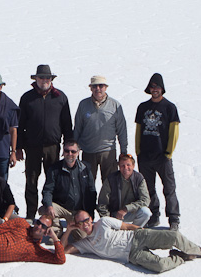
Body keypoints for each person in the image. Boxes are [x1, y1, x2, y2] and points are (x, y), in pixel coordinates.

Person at [62, 210, 201, 273]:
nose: (85, 224)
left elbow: (126, 226)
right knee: (159, 266)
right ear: (77, 225)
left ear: (91, 219)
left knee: (173, 236)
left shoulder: (103, 222)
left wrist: (143, 231)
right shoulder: (85, 243)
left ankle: (198, 250)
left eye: (86, 220)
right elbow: (62, 250)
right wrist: (68, 230)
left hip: (137, 237)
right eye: (80, 223)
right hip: (131, 254)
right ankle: (180, 257)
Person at [16, 64, 72, 219]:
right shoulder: (27, 98)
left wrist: (68, 145)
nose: (44, 80)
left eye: (47, 78)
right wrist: (18, 147)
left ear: (51, 79)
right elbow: (20, 125)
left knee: (53, 181)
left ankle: (50, 214)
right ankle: (30, 214)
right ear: (36, 79)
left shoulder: (60, 97)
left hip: (52, 146)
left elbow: (67, 123)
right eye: (41, 77)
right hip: (32, 147)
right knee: (31, 180)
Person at [135, 73, 181, 229]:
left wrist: (168, 153)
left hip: (162, 156)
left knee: (169, 188)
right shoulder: (143, 107)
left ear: (162, 89)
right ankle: (154, 216)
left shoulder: (169, 107)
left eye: (157, 87)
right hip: (145, 156)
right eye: (152, 87)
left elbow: (174, 131)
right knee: (148, 189)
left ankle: (174, 219)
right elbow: (138, 130)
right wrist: (138, 152)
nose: (155, 90)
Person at [72, 75, 127, 190]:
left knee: (110, 185)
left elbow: (122, 130)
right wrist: (74, 149)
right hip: (88, 151)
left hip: (108, 152)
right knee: (87, 184)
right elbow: (78, 128)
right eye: (94, 86)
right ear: (90, 88)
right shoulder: (83, 104)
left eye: (101, 86)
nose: (98, 89)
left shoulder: (115, 106)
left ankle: (109, 208)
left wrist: (124, 151)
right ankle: (88, 207)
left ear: (106, 87)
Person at [41, 140, 97, 224]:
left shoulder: (85, 168)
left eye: (73, 151)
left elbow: (92, 191)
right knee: (46, 210)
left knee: (83, 236)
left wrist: (90, 214)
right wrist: (49, 205)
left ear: (78, 152)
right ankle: (56, 229)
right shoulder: (54, 169)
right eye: (67, 151)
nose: (69, 154)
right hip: (61, 208)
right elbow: (47, 190)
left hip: (79, 211)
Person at [96, 153, 152, 227]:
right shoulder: (111, 179)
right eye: (122, 165)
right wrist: (107, 219)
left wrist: (126, 209)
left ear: (133, 166)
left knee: (146, 212)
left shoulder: (139, 178)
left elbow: (145, 200)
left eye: (128, 165)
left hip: (131, 212)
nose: (125, 168)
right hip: (114, 215)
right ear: (119, 166)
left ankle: (134, 231)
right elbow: (102, 202)